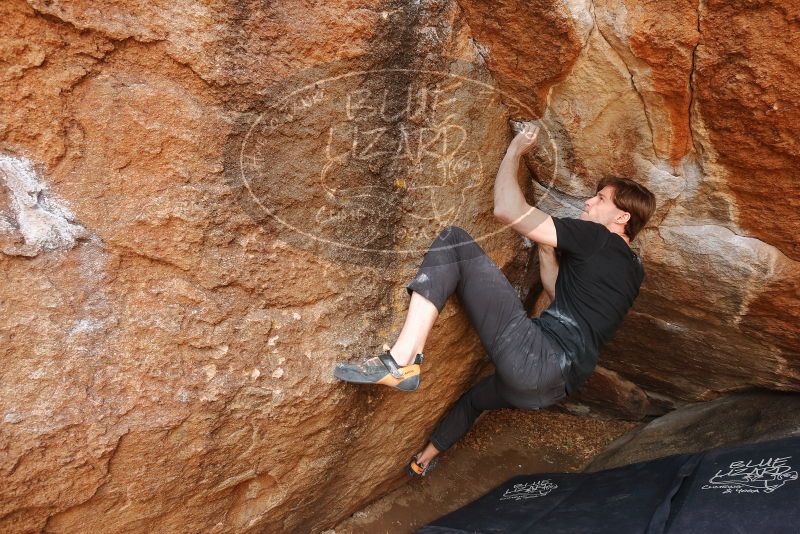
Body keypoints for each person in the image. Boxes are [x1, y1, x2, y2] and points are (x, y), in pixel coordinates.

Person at [333, 123, 657, 477]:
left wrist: (514, 151)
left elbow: (506, 208)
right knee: (475, 399)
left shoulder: (597, 237)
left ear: (621, 217)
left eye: (600, 200)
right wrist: (548, 252)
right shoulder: (632, 270)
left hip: (539, 359)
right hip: (552, 388)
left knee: (454, 240)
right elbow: (560, 294)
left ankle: (401, 360)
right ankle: (422, 461)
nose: (588, 202)